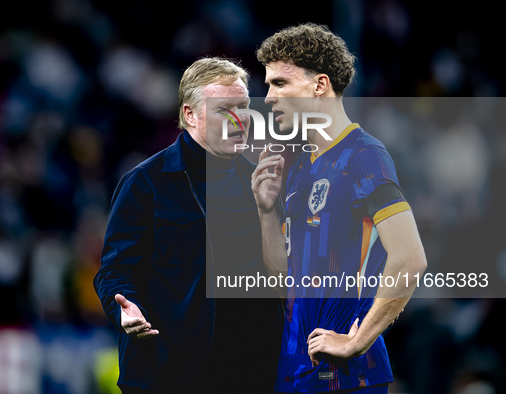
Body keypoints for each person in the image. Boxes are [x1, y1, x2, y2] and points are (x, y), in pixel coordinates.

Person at [251, 23, 427, 393]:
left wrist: (355, 341)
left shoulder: (364, 155)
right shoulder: (300, 167)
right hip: (298, 370)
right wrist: (267, 213)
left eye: (279, 83)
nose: (267, 97)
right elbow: (286, 280)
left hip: (348, 376)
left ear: (320, 85)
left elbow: (410, 259)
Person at [94, 57, 284, 394]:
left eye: (243, 107)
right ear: (189, 115)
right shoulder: (145, 183)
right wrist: (123, 308)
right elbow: (114, 271)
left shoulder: (263, 183)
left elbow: (282, 280)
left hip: (251, 374)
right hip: (167, 375)